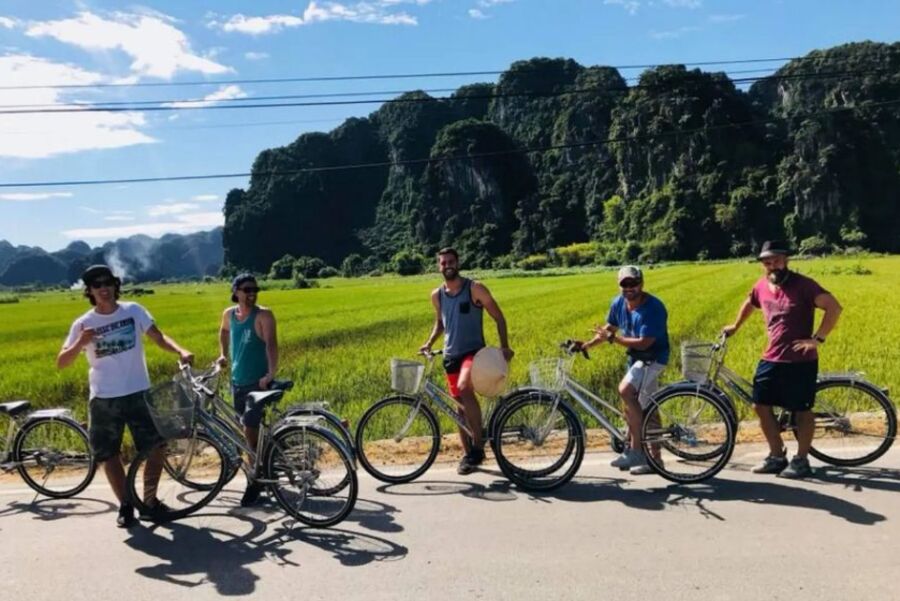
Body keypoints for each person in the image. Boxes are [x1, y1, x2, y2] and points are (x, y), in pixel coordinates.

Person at [57, 264, 193, 528]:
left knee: (156, 448)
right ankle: (126, 505)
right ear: (90, 291)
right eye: (97, 285)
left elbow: (158, 336)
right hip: (104, 398)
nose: (104, 289)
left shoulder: (134, 311)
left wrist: (180, 350)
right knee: (109, 455)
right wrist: (80, 342)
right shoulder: (83, 324)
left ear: (115, 285)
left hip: (138, 392)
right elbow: (62, 362)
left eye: (107, 283)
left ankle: (150, 502)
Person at [723, 240, 842, 479]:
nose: (772, 265)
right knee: (760, 405)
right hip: (772, 356)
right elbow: (750, 302)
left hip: (800, 360)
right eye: (767, 262)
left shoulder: (804, 285)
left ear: (786, 259)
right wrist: (735, 326)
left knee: (801, 410)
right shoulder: (762, 286)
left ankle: (801, 461)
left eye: (776, 260)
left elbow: (834, 307)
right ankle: (777, 456)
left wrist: (817, 339)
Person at [420, 248, 514, 475]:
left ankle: (479, 447)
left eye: (451, 261)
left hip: (473, 353)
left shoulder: (474, 288)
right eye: (443, 263)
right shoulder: (437, 295)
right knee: (459, 409)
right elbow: (440, 324)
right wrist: (429, 343)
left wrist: (504, 346)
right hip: (450, 356)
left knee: (464, 388)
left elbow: (498, 316)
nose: (447, 266)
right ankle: (469, 455)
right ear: (438, 266)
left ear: (458, 263)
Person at [573, 265, 670, 475]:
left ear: (641, 284)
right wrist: (587, 345)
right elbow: (609, 329)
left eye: (633, 283)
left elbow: (645, 343)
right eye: (624, 284)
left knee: (626, 392)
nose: (629, 288)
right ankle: (655, 461)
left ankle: (636, 451)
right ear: (619, 285)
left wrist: (614, 340)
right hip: (637, 359)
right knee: (638, 407)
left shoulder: (653, 308)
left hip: (653, 358)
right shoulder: (618, 303)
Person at [216, 273, 279, 505]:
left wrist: (270, 374)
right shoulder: (229, 314)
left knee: (249, 434)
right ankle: (266, 466)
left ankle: (255, 482)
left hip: (257, 383)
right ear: (236, 292)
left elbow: (272, 344)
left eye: (255, 290)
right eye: (247, 289)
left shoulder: (263, 315)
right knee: (247, 433)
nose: (252, 294)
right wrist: (223, 354)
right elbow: (223, 331)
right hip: (237, 382)